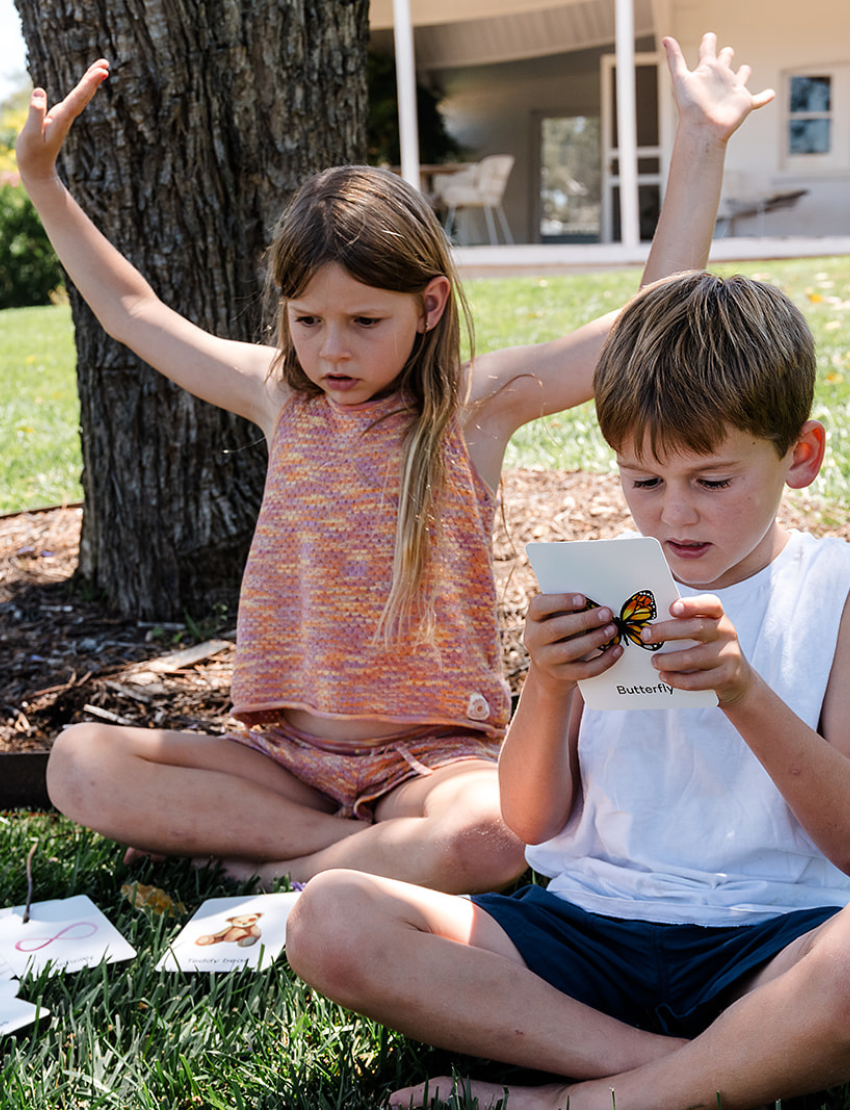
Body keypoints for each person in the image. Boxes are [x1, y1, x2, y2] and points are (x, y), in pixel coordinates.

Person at [20, 36, 771, 895]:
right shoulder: (281, 398)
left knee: (497, 835)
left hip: (432, 767)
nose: (331, 350)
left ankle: (272, 862)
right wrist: (44, 180)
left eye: (364, 322)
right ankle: (327, 854)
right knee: (78, 763)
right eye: (308, 320)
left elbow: (645, 322)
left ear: (429, 305)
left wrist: (701, 143)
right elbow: (132, 311)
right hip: (281, 760)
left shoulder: (473, 406)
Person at [286, 270, 850, 1110]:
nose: (674, 517)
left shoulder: (833, 590)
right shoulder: (608, 583)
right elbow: (532, 820)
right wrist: (547, 684)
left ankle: (571, 1103)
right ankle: (692, 1072)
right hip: (590, 934)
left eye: (713, 481)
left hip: (772, 940)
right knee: (330, 917)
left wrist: (745, 695)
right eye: (645, 481)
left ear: (800, 456)